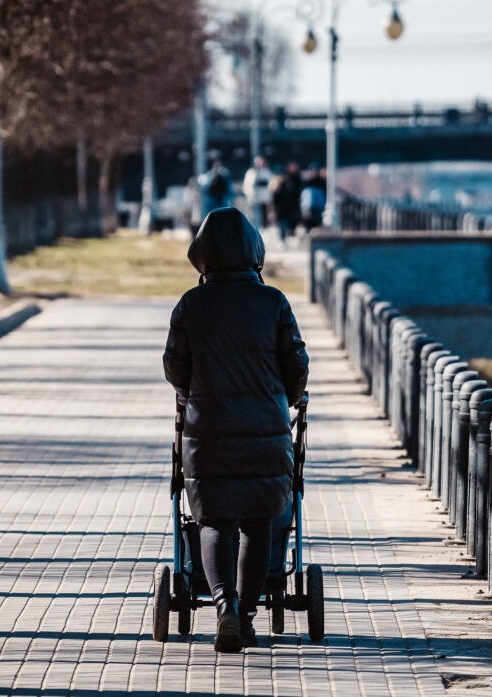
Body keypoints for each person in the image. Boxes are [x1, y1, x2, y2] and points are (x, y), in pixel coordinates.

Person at [163, 207, 309, 653]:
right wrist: (288, 397)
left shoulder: (191, 304)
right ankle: (244, 616)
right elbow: (296, 364)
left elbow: (174, 366)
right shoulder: (274, 302)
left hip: (207, 432)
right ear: (253, 252)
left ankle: (223, 605)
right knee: (258, 524)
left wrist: (191, 392)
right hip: (265, 431)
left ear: (202, 255)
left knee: (213, 520)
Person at [271, 161, 303, 242]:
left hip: (288, 210)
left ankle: (285, 239)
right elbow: (275, 200)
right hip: (282, 211)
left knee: (287, 227)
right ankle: (283, 240)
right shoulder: (277, 186)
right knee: (283, 226)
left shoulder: (289, 183)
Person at [197, 158, 233, 224]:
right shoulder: (208, 175)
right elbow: (205, 188)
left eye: (218, 165)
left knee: (222, 214)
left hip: (221, 198)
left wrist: (222, 174)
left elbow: (228, 187)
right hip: (211, 198)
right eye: (216, 165)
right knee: (210, 214)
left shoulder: (224, 174)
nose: (217, 167)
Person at [243, 156, 274, 229]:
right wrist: (249, 195)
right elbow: (247, 185)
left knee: (264, 216)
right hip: (253, 199)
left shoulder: (267, 172)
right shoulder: (251, 173)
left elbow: (271, 184)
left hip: (264, 200)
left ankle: (263, 229)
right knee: (253, 216)